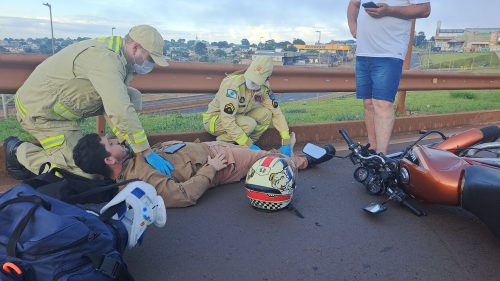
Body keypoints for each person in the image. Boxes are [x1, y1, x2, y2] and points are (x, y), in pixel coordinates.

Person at [4, 24, 175, 180]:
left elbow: (115, 103)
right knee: (84, 174)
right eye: (150, 59)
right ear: (135, 47)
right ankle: (17, 150)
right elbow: (119, 109)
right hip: (41, 112)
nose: (150, 65)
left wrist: (127, 140)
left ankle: (120, 146)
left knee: (131, 96)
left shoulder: (121, 57)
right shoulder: (106, 61)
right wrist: (145, 151)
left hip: (61, 107)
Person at [72, 133, 335, 208]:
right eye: (111, 144)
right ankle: (302, 162)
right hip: (222, 161)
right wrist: (210, 168)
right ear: (109, 160)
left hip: (210, 148)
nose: (116, 142)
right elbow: (182, 196)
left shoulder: (131, 159)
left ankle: (289, 153)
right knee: (268, 160)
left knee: (264, 156)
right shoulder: (139, 178)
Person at [347, 0, 431, 154]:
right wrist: (353, 29)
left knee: (382, 103)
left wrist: (389, 10)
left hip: (390, 51)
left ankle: (381, 155)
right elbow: (354, 4)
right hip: (364, 51)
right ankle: (372, 148)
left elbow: (424, 9)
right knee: (368, 103)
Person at [202, 56, 293, 157]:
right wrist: (249, 145)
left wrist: (286, 141)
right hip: (215, 120)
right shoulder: (232, 85)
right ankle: (223, 143)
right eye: (251, 78)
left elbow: (277, 112)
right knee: (249, 124)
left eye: (256, 81)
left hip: (240, 116)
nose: (252, 83)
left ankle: (245, 145)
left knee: (266, 114)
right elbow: (227, 120)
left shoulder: (264, 88)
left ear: (266, 79)